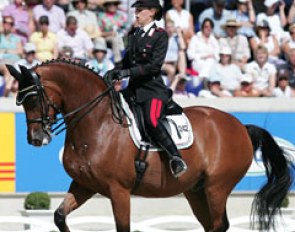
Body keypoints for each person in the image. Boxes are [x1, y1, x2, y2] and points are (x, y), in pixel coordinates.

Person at [104, 0, 188, 178]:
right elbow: (127, 62)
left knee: (151, 120)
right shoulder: (134, 34)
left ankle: (175, 157)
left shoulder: (160, 35)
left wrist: (126, 72)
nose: (136, 13)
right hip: (133, 90)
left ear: (152, 12)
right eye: (136, 10)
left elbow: (153, 66)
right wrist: (114, 72)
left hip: (152, 90)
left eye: (140, 10)